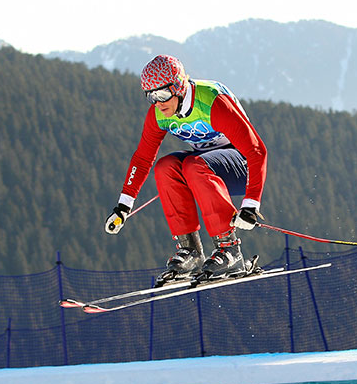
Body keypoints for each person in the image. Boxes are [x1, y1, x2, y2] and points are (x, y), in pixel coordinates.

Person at [104, 54, 267, 283]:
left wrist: (250, 205)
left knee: (193, 165)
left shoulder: (212, 101)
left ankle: (230, 250)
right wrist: (123, 207)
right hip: (205, 166)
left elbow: (257, 150)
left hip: (242, 165)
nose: (158, 102)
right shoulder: (159, 113)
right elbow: (142, 159)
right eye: (150, 96)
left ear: (179, 87)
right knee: (165, 167)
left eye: (162, 93)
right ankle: (190, 251)